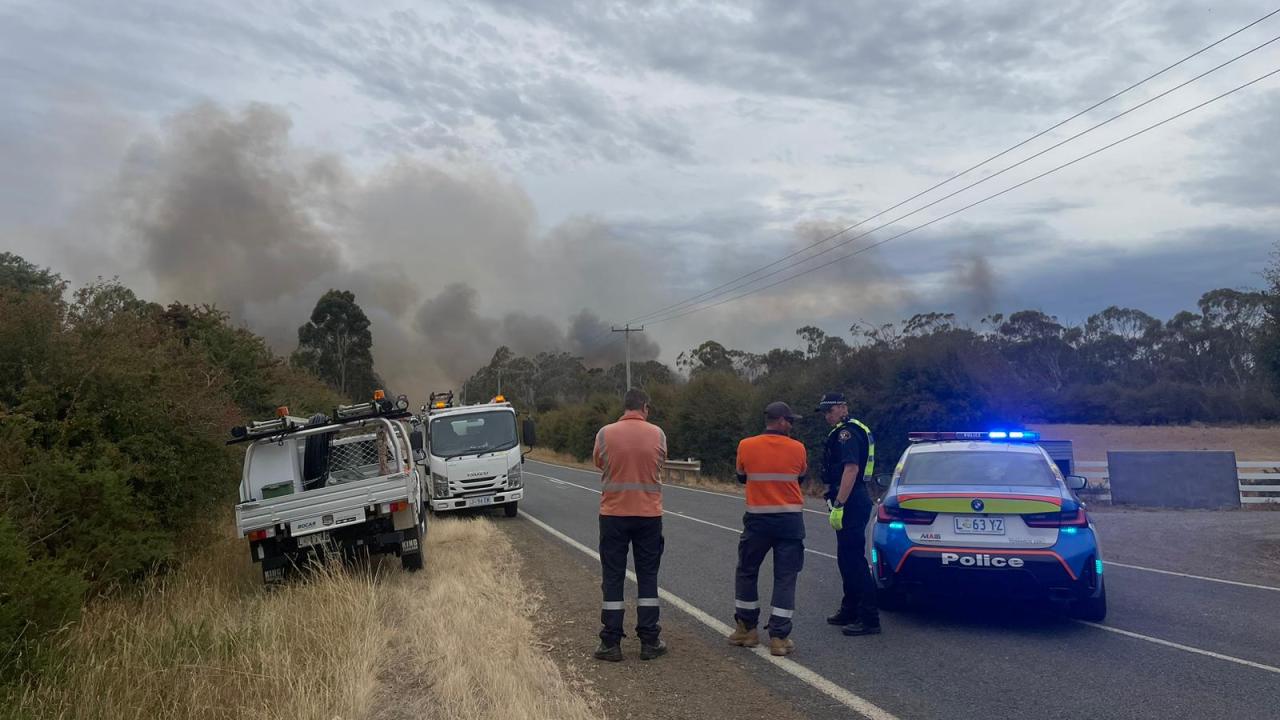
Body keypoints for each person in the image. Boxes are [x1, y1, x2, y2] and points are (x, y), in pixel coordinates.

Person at [592, 388, 668, 661]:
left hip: (613, 514)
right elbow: (660, 462)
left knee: (613, 577)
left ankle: (610, 643)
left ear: (624, 407)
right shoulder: (658, 434)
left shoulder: (604, 433)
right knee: (647, 576)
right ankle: (649, 640)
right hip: (649, 515)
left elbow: (599, 463)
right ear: (644, 407)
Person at [728, 401, 808, 657]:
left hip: (758, 521)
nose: (792, 426)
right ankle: (779, 638)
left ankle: (747, 630)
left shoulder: (746, 445)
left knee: (747, 571)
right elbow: (801, 476)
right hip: (790, 522)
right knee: (785, 577)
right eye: (791, 421)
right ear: (782, 421)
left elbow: (741, 475)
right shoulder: (798, 448)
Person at [817, 392, 882, 636]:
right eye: (825, 411)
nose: (826, 415)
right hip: (849, 497)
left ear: (842, 407)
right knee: (845, 558)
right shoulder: (851, 429)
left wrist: (840, 503)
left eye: (829, 410)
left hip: (852, 499)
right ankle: (850, 607)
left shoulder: (847, 433)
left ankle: (869, 618)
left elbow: (851, 468)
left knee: (854, 559)